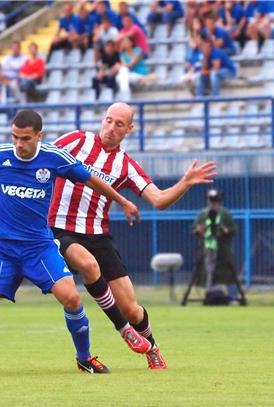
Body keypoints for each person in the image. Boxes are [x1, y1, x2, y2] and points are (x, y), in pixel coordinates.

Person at [0, 110, 151, 374]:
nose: (19, 144)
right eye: (15, 137)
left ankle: (84, 358)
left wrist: (122, 201)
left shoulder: (54, 158)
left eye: (25, 138)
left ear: (39, 137)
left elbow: (91, 180)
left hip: (39, 248)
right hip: (1, 249)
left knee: (72, 299)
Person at [48, 102, 217, 369]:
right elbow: (42, 158)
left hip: (98, 236)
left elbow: (159, 199)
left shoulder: (126, 165)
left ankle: (152, 347)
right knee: (88, 264)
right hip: (60, 229)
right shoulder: (76, 141)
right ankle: (123, 329)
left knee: (132, 308)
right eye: (108, 120)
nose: (111, 128)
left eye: (119, 124)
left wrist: (184, 183)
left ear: (129, 129)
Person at [192, 189, 238, 305]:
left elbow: (233, 229)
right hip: (207, 249)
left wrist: (226, 231)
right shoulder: (203, 214)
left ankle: (232, 297)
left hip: (223, 250)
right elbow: (194, 228)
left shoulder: (225, 214)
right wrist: (198, 230)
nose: (214, 203)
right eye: (211, 200)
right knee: (208, 273)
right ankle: (210, 296)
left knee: (229, 272)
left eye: (216, 200)